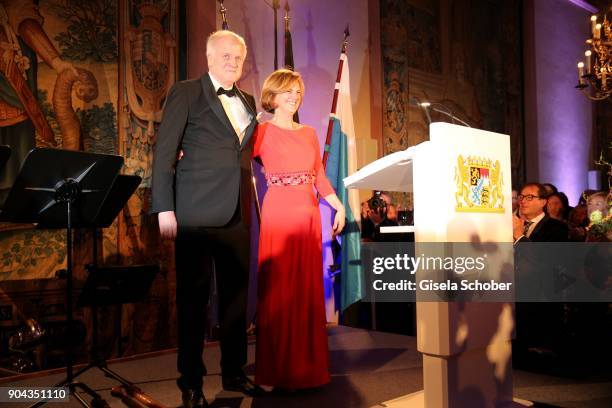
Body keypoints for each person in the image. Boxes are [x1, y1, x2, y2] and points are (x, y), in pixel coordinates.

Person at [151, 30, 261, 408]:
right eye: (226, 56)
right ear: (210, 57)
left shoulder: (247, 100)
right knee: (194, 302)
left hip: (236, 213)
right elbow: (165, 151)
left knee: (235, 301)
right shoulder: (186, 92)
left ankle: (234, 371)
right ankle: (191, 381)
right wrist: (164, 206)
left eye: (238, 58)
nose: (233, 62)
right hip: (195, 213)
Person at [252, 69, 345, 390]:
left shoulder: (308, 133)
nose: (294, 96)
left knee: (305, 291)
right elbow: (228, 156)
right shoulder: (260, 132)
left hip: (307, 216)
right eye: (288, 91)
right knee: (279, 291)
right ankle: (273, 371)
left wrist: (338, 205)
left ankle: (308, 368)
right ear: (273, 96)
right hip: (279, 214)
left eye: (297, 92)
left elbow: (318, 175)